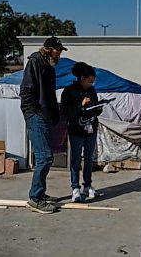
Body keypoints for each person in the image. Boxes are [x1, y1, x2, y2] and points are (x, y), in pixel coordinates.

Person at [20, 36, 67, 214]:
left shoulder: (47, 66)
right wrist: (34, 111)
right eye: (58, 50)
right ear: (49, 49)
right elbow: (26, 90)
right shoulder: (35, 63)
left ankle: (41, 193)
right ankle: (35, 198)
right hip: (35, 115)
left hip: (43, 115)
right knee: (45, 157)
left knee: (46, 157)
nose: (60, 54)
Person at [60, 62, 102, 202]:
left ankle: (88, 185)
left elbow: (95, 106)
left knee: (89, 158)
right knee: (76, 158)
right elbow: (65, 112)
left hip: (91, 128)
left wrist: (98, 108)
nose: (91, 84)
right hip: (76, 129)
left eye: (93, 81)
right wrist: (80, 105)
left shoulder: (92, 90)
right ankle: (75, 188)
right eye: (89, 81)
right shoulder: (69, 91)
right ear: (82, 78)